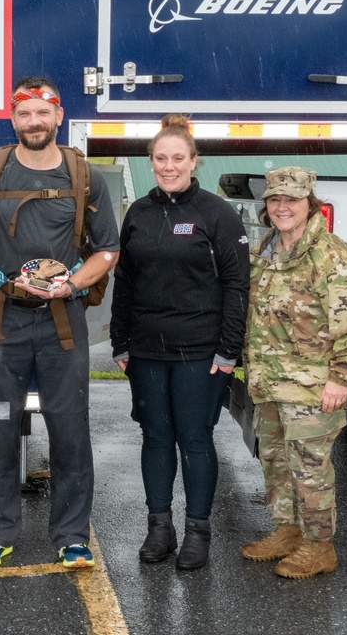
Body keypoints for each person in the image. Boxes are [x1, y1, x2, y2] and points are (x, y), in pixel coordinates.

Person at [0, 76, 120, 569]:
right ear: (13, 118)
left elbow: (108, 249)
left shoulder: (83, 174)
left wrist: (70, 285)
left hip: (62, 324)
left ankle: (72, 536)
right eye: (24, 114)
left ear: (58, 115)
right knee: (1, 429)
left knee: (69, 429)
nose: (33, 122)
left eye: (41, 113)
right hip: (4, 322)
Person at [109, 114, 249, 570]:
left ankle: (197, 532)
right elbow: (125, 282)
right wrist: (120, 342)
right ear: (150, 162)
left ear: (194, 161)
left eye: (178, 158)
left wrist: (229, 349)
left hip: (200, 353)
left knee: (194, 439)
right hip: (147, 350)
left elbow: (236, 286)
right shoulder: (139, 213)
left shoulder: (215, 213)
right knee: (155, 437)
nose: (169, 166)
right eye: (160, 158)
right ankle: (160, 528)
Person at [240, 167, 347, 578]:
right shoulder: (267, 249)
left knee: (310, 469)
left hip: (312, 386)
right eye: (275, 200)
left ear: (309, 204)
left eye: (292, 200)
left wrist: (342, 379)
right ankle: (289, 531)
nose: (283, 207)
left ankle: (319, 546)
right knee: (276, 462)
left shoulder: (329, 254)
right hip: (270, 380)